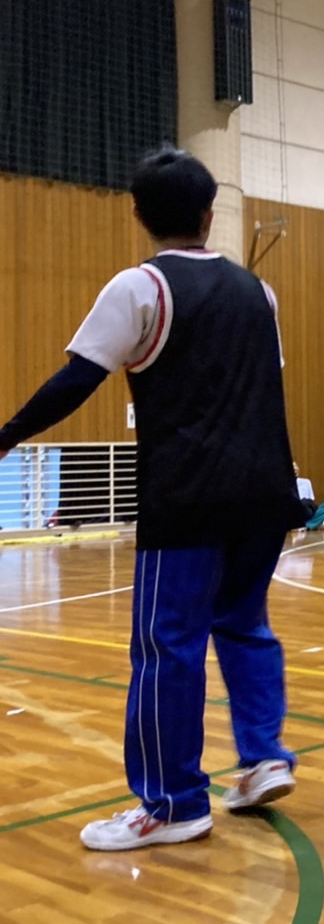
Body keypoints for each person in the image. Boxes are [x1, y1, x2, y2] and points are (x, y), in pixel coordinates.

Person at [0, 146, 304, 850]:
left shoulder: (140, 288)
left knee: (167, 647)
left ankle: (173, 803)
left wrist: (6, 437)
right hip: (265, 492)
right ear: (210, 214)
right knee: (245, 624)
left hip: (189, 498)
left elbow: (76, 381)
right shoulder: (259, 293)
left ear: (136, 213)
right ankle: (263, 757)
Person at [295, 462, 324, 530]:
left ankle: (306, 525)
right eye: (292, 467)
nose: (295, 469)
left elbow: (311, 501)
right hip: (294, 511)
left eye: (296, 467)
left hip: (308, 509)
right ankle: (316, 523)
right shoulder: (284, 484)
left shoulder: (306, 482)